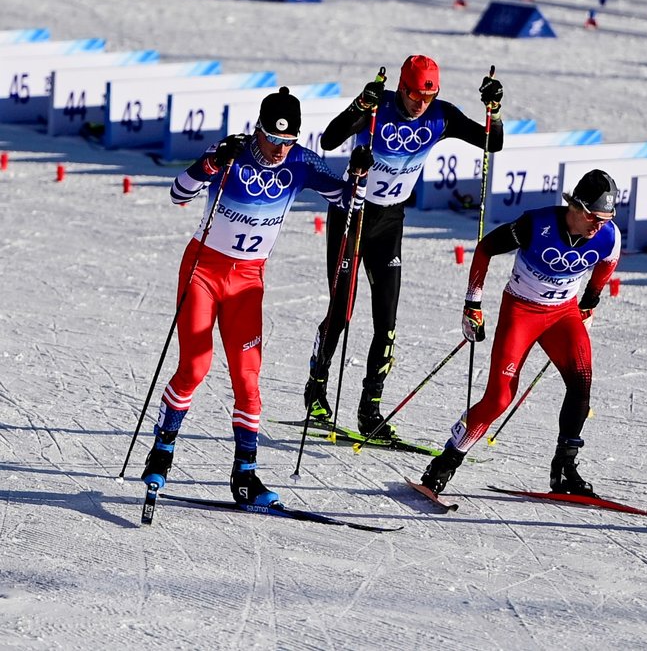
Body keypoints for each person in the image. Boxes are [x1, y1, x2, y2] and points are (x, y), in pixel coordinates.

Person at [141, 87, 351, 507]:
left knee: (248, 379)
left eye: (286, 141)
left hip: (248, 280)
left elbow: (346, 199)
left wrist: (358, 177)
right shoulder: (232, 153)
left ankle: (245, 476)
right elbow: (178, 193)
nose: (278, 150)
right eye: (272, 140)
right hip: (204, 270)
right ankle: (161, 451)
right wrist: (211, 163)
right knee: (195, 366)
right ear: (257, 130)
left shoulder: (301, 162)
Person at [304, 54, 505, 440]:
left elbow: (490, 143)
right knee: (342, 312)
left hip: (390, 222)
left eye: (428, 96)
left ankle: (370, 410)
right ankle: (316, 389)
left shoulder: (441, 116)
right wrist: (359, 106)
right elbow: (330, 139)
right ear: (401, 86)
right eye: (414, 95)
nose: (420, 104)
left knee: (387, 321)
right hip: (352, 215)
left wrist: (493, 111)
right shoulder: (378, 108)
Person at [416, 169, 622, 496]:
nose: (601, 225)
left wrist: (590, 300)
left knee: (581, 385)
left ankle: (564, 470)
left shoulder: (609, 234)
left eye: (608, 218)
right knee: (499, 397)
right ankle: (444, 463)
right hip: (522, 311)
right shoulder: (536, 224)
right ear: (577, 207)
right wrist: (473, 304)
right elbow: (485, 248)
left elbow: (608, 261)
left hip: (562, 315)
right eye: (595, 217)